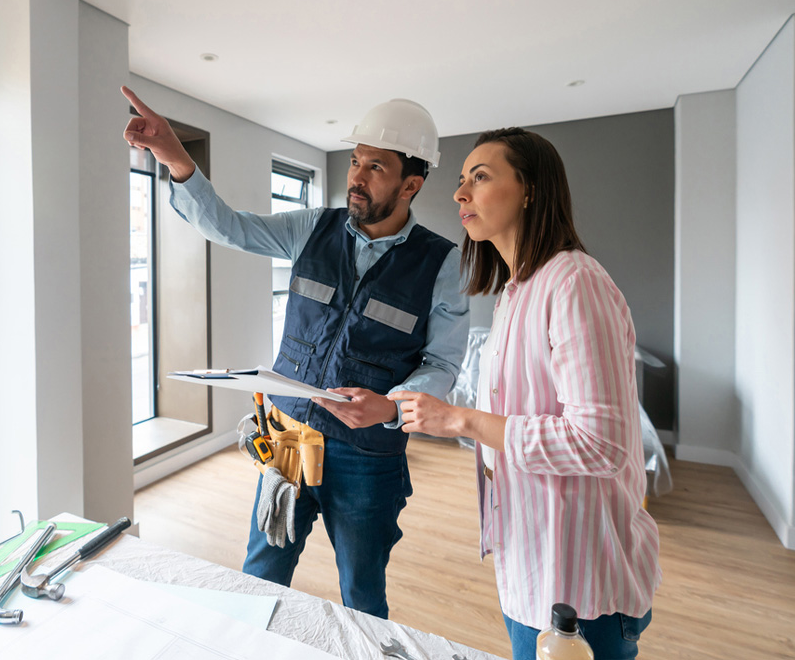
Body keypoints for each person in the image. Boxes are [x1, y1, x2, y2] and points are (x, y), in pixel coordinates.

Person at [120, 86, 470, 619]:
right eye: (355, 161)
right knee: (260, 576)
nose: (356, 176)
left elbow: (442, 364)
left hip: (367, 456)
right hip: (287, 437)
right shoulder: (313, 228)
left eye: (375, 167)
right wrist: (174, 156)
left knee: (362, 595)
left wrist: (394, 406)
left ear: (411, 185)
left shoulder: (443, 264)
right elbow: (231, 227)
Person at [390, 128, 660, 660]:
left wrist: (461, 421)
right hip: (532, 563)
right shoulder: (516, 290)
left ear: (531, 189)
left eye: (481, 177)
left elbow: (601, 443)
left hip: (583, 588)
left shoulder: (574, 282)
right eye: (462, 180)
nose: (459, 193)